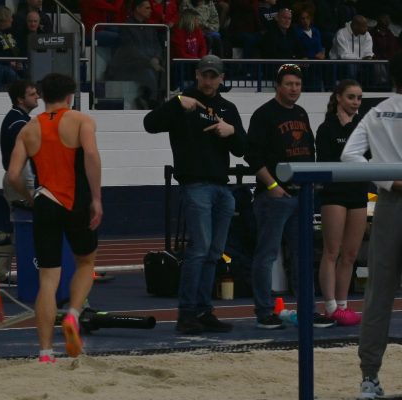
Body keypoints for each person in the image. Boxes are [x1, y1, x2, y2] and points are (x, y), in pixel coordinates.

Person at [143, 55, 245, 334]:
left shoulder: (227, 108)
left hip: (222, 187)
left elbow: (242, 148)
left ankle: (203, 310)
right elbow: (149, 124)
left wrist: (231, 130)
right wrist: (176, 103)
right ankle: (187, 313)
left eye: (214, 76)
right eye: (205, 75)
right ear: (197, 75)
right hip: (196, 185)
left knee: (214, 253)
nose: (209, 80)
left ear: (222, 78)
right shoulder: (183, 101)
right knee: (199, 250)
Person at [7, 73, 102, 362]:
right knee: (86, 263)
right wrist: (96, 198)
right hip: (77, 202)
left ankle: (45, 353)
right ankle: (73, 313)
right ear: (70, 96)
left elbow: (12, 176)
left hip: (44, 202)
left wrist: (28, 196)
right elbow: (92, 156)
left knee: (47, 279)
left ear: (42, 97)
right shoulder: (80, 120)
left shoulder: (28, 129)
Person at [244, 63, 336, 330]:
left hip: (301, 195)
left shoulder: (302, 113)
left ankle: (307, 311)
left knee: (303, 256)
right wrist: (272, 186)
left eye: (297, 84)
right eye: (289, 84)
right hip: (274, 198)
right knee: (267, 255)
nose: (294, 89)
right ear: (278, 85)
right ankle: (264, 312)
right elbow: (252, 156)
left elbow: (308, 150)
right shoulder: (264, 115)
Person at [341, 52, 402, 400]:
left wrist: (389, 181)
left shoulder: (377, 112)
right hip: (393, 201)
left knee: (379, 293)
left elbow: (350, 156)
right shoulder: (377, 111)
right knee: (378, 293)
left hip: (391, 204)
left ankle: (369, 378)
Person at [315, 79, 365, 327]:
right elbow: (331, 159)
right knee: (332, 251)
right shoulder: (327, 128)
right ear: (338, 98)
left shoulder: (363, 126)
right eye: (351, 97)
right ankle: (330, 305)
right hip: (334, 194)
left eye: (358, 98)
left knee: (351, 254)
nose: (355, 103)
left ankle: (343, 304)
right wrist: (346, 130)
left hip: (357, 193)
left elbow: (367, 158)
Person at [0, 79, 39, 283]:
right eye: (32, 94)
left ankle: (0, 271)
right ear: (20, 99)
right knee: (19, 224)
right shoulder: (19, 124)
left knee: (13, 223)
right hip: (19, 176)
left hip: (18, 175)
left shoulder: (17, 119)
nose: (37, 96)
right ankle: (3, 271)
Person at [105, 0, 165, 109]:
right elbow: (131, 49)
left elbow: (157, 46)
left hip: (149, 63)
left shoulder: (150, 27)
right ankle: (151, 102)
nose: (151, 11)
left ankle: (154, 100)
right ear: (137, 9)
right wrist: (149, 61)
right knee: (149, 73)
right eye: (147, 8)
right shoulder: (126, 27)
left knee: (164, 71)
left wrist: (156, 58)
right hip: (129, 65)